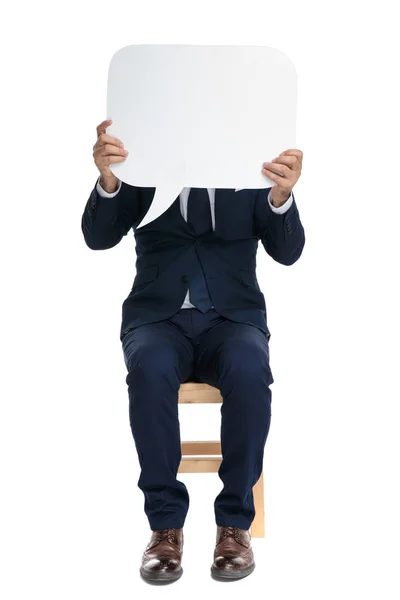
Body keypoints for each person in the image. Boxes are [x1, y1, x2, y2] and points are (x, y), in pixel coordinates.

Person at [81, 119, 305, 584]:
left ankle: (234, 525)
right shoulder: (143, 161)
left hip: (232, 319)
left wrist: (281, 197)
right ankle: (165, 527)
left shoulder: (249, 161)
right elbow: (98, 238)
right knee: (148, 369)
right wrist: (108, 180)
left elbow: (288, 253)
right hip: (158, 318)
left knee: (249, 370)